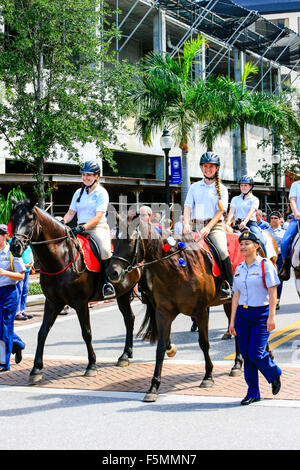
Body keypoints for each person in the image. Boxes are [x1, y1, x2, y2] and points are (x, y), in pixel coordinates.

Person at [229, 231, 282, 405]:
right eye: (241, 244)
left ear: (257, 246)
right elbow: (236, 295)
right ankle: (253, 392)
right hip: (242, 316)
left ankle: (274, 373)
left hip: (261, 314)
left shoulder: (265, 265)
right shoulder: (239, 268)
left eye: (247, 244)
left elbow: (273, 291)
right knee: (246, 354)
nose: (243, 247)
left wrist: (271, 317)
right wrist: (232, 321)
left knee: (256, 353)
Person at [183, 151, 233, 299]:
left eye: (211, 166)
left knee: (222, 251)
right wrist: (186, 223)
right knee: (178, 249)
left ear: (216, 168)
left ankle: (228, 284)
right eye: (205, 166)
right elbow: (187, 207)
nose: (208, 169)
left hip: (214, 227)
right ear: (201, 167)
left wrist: (208, 228)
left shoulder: (222, 189)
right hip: (194, 225)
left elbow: (220, 212)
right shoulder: (194, 187)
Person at [63, 160, 115, 299]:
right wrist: (62, 221)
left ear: (96, 176)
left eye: (89, 175)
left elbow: (98, 216)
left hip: (97, 228)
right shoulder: (78, 193)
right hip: (80, 228)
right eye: (84, 175)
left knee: (105, 250)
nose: (85, 177)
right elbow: (70, 213)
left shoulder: (101, 193)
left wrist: (83, 227)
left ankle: (106, 283)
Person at [0, 224, 26, 371]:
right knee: (3, 327)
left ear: (5, 236)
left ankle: (3, 362)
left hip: (8, 293)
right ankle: (17, 344)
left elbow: (21, 275)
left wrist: (4, 273)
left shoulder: (12, 252)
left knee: (4, 327)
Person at [226, 175, 267, 256]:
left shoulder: (254, 199)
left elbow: (251, 212)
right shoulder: (235, 199)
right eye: (241, 185)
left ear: (251, 186)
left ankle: (265, 260)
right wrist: (227, 222)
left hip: (250, 224)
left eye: (245, 185)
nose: (243, 187)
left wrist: (244, 222)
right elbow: (231, 211)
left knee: (260, 241)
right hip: (237, 224)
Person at [279, 180, 300, 281]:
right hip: (298, 219)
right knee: (284, 242)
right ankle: (285, 266)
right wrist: (296, 213)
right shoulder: (295, 185)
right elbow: (292, 200)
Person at [267, 211, 285, 309]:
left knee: (278, 280)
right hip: (268, 258)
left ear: (279, 220)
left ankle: (276, 299)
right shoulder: (265, 231)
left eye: (275, 218)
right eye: (272, 218)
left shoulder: (283, 233)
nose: (273, 220)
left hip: (279, 257)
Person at [15, 245, 34, 320]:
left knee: (25, 290)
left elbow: (30, 252)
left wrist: (32, 261)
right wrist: (24, 265)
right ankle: (17, 312)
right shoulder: (13, 242)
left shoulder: (26, 244)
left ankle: (22, 310)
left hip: (27, 270)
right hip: (20, 270)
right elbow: (14, 256)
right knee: (19, 290)